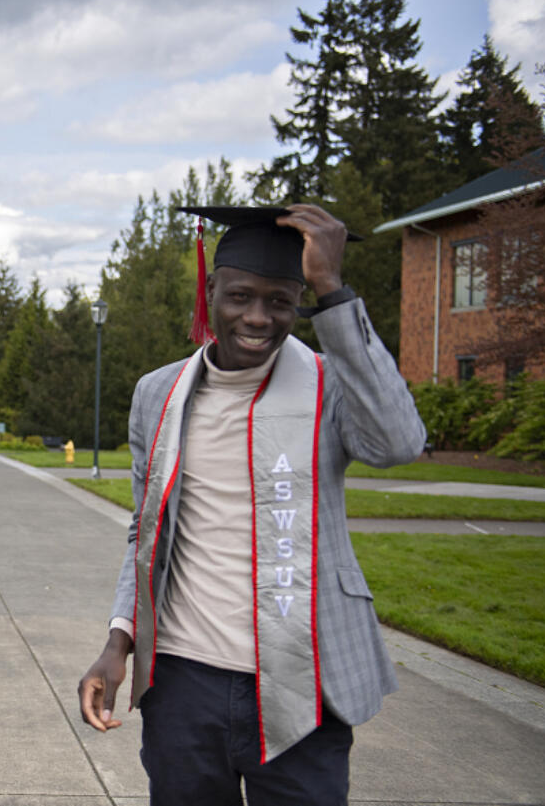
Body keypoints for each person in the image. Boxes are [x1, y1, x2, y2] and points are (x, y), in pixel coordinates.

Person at [77, 204, 425, 805]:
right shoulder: (158, 394)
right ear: (210, 290)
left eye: (281, 301)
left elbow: (398, 444)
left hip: (302, 679)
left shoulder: (330, 387)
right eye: (240, 296)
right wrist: (118, 642)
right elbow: (147, 532)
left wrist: (333, 290)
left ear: (299, 303)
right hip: (183, 683)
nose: (258, 318)